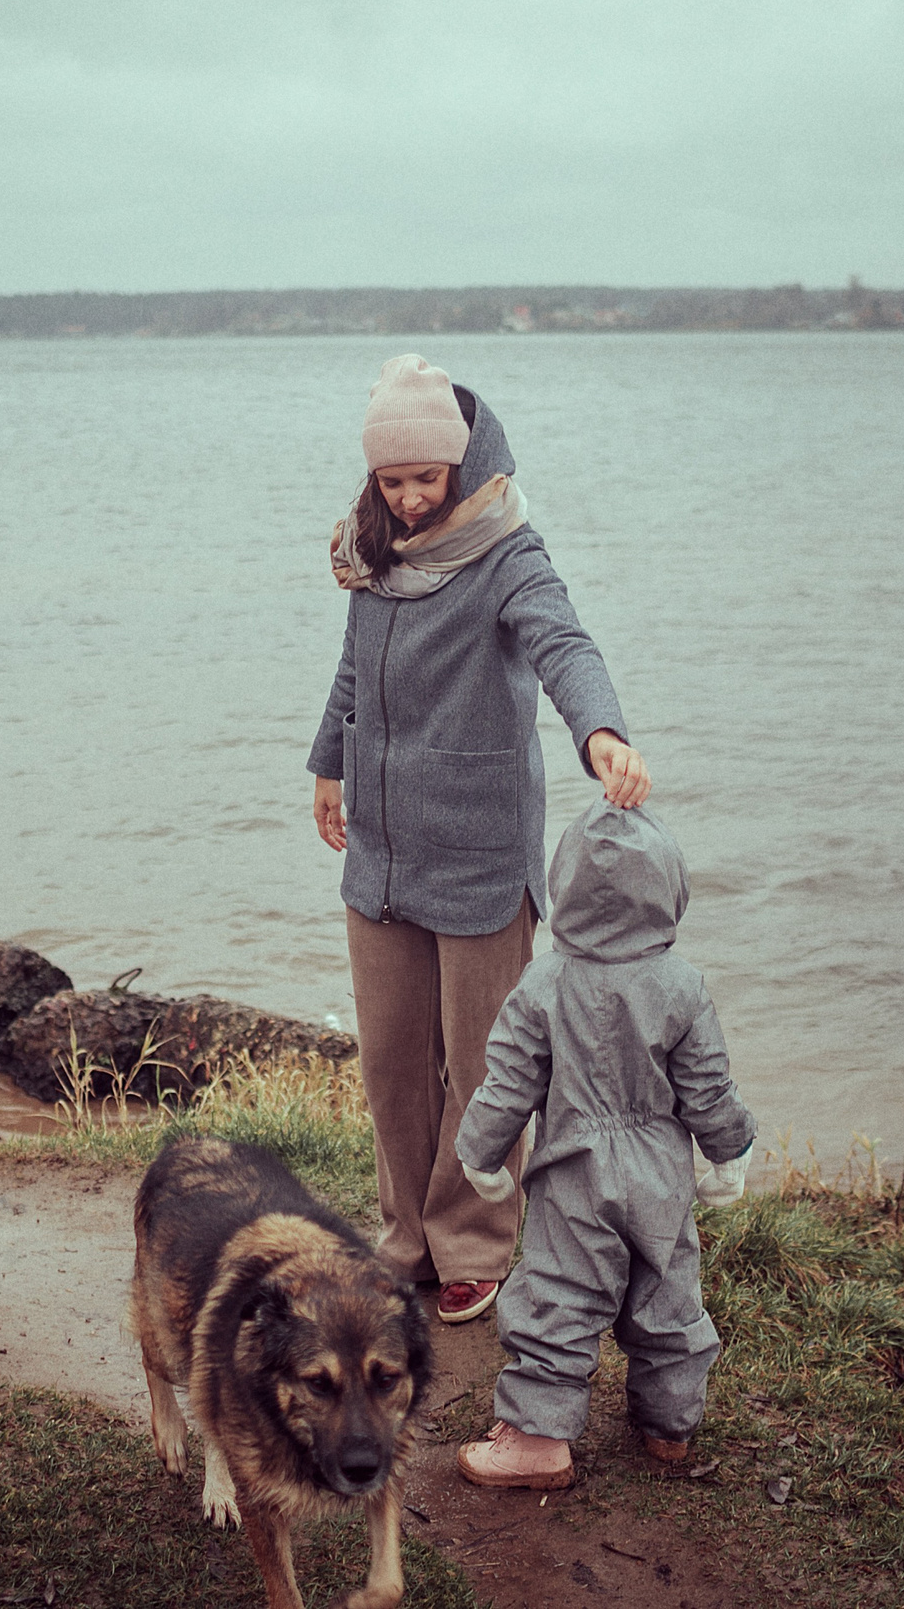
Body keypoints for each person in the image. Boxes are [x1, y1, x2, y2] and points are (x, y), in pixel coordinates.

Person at [308, 354, 650, 1326]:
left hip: (479, 849)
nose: (410, 497)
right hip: (381, 849)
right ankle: (405, 1240)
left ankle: (470, 1242)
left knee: (484, 1065)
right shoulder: (374, 553)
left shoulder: (508, 552)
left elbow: (564, 643)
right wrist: (327, 762)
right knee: (390, 1061)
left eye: (426, 476)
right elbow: (351, 670)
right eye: (391, 480)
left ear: (462, 462)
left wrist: (601, 731)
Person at [451, 801, 756, 1489]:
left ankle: (537, 1440)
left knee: (558, 1296)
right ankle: (668, 1425)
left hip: (574, 1178)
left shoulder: (544, 982)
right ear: (670, 887)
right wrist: (728, 1154)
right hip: (660, 1176)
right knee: (668, 1297)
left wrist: (481, 1152)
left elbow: (508, 1082)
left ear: (564, 884)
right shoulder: (682, 984)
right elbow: (709, 1087)